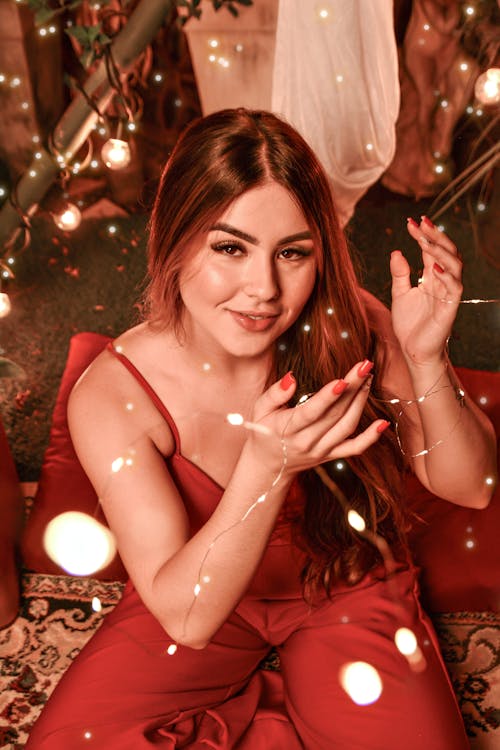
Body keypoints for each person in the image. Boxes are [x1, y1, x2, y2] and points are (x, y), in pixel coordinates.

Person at [26, 108, 496, 749]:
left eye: (293, 253)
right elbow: (186, 617)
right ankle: (283, 713)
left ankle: (309, 698)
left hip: (345, 581)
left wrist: (424, 359)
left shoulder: (349, 321)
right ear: (174, 238)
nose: (264, 289)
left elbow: (471, 487)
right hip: (205, 590)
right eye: (229, 248)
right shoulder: (112, 394)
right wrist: (267, 467)